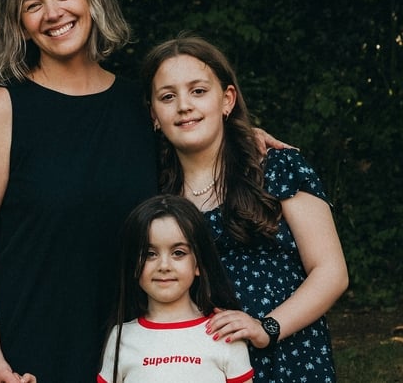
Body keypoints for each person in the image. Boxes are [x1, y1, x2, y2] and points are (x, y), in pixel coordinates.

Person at [0, 0, 157, 382]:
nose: (53, 13)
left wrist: (247, 135)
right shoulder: (2, 109)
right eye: (32, 4)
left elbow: (199, 135)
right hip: (29, 354)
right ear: (19, 23)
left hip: (131, 352)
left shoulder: (140, 105)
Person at [142, 34, 349, 382]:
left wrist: (266, 327)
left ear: (227, 100)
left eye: (198, 91)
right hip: (199, 363)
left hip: (287, 356)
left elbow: (331, 271)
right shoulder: (152, 191)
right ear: (153, 115)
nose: (184, 105)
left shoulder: (277, 167)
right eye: (167, 96)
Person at [98, 194, 254, 383]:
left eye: (178, 253)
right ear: (134, 265)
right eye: (150, 254)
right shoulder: (121, 337)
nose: (164, 265)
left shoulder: (224, 332)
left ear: (199, 265)